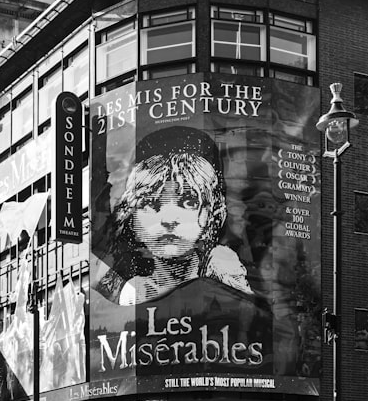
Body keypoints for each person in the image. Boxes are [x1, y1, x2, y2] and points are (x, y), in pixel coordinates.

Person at [95, 126, 254, 306]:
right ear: (132, 217)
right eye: (152, 203)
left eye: (189, 202)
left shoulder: (224, 270)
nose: (169, 219)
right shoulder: (131, 292)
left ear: (211, 213)